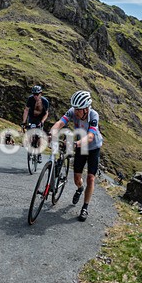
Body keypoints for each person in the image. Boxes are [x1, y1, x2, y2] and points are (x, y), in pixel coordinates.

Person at [50, 90, 103, 222]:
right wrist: (52, 132)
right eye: (75, 109)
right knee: (77, 179)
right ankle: (80, 188)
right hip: (80, 146)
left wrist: (76, 143)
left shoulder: (93, 115)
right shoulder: (73, 111)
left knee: (91, 178)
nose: (76, 112)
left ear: (86, 109)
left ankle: (85, 207)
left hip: (93, 147)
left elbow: (90, 136)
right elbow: (60, 122)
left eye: (79, 110)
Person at [22, 85, 50, 162]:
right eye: (34, 94)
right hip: (32, 117)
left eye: (37, 94)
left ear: (40, 94)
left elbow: (46, 113)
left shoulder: (45, 101)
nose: (35, 96)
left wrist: (42, 121)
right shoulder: (30, 99)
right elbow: (26, 110)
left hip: (40, 118)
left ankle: (39, 153)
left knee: (40, 135)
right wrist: (24, 122)